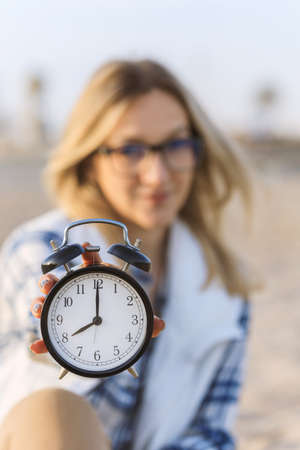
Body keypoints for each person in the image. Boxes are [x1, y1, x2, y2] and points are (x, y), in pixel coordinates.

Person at [0, 59, 254, 449]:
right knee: (53, 406)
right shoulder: (43, 251)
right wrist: (64, 345)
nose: (157, 175)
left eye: (176, 145)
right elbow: (20, 398)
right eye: (131, 150)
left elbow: (209, 431)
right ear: (89, 162)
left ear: (198, 150)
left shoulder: (222, 285)